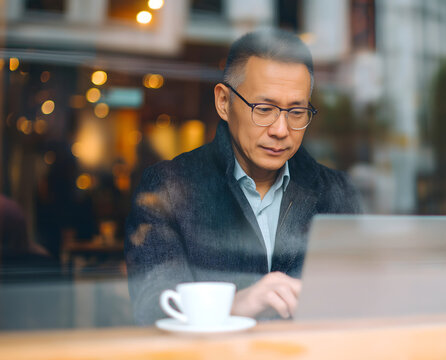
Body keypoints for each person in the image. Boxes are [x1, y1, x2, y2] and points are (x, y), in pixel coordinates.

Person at [125, 29, 362, 325]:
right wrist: (236, 305)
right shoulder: (168, 189)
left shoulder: (337, 192)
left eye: (297, 112)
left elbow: (364, 300)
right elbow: (153, 310)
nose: (280, 129)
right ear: (224, 102)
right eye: (264, 109)